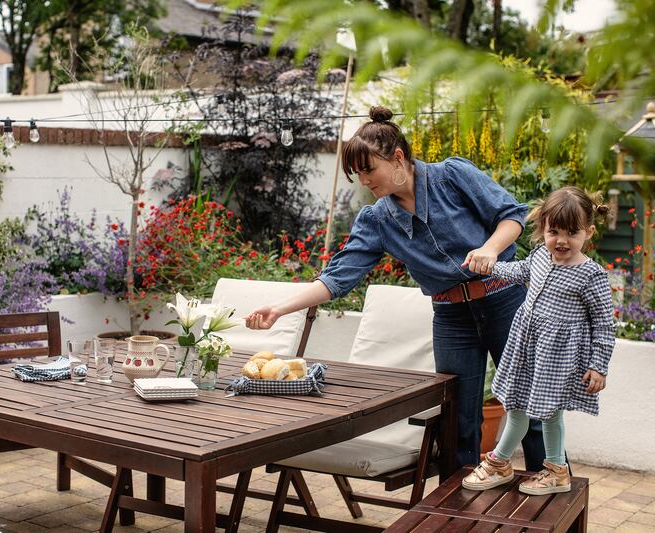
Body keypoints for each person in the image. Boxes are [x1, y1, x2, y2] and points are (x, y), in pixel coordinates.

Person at [246, 105, 547, 471]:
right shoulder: (376, 219)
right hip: (452, 317)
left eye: (368, 168)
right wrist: (279, 309)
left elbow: (511, 215)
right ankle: (459, 511)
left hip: (505, 300)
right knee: (458, 420)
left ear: (398, 157)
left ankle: (548, 490)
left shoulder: (452, 176)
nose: (364, 179)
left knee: (531, 404)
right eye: (356, 173)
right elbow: (337, 278)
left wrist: (490, 248)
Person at [461, 186, 615, 494]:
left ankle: (553, 470)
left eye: (572, 232)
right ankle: (501, 463)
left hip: (557, 356)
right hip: (527, 348)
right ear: (542, 230)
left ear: (589, 232)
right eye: (553, 231)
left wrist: (599, 366)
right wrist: (490, 265)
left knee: (549, 413)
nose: (561, 240)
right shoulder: (542, 256)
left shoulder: (590, 275)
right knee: (515, 405)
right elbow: (519, 271)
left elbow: (604, 323)